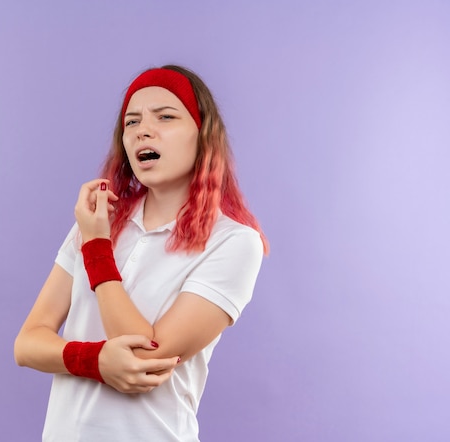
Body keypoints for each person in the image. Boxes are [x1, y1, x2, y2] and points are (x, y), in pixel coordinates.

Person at [14, 65, 268, 441]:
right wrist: (96, 360)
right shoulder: (97, 222)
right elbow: (28, 343)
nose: (143, 130)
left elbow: (145, 359)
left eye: (166, 116)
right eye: (131, 122)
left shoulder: (234, 242)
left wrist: (97, 247)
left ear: (203, 135)